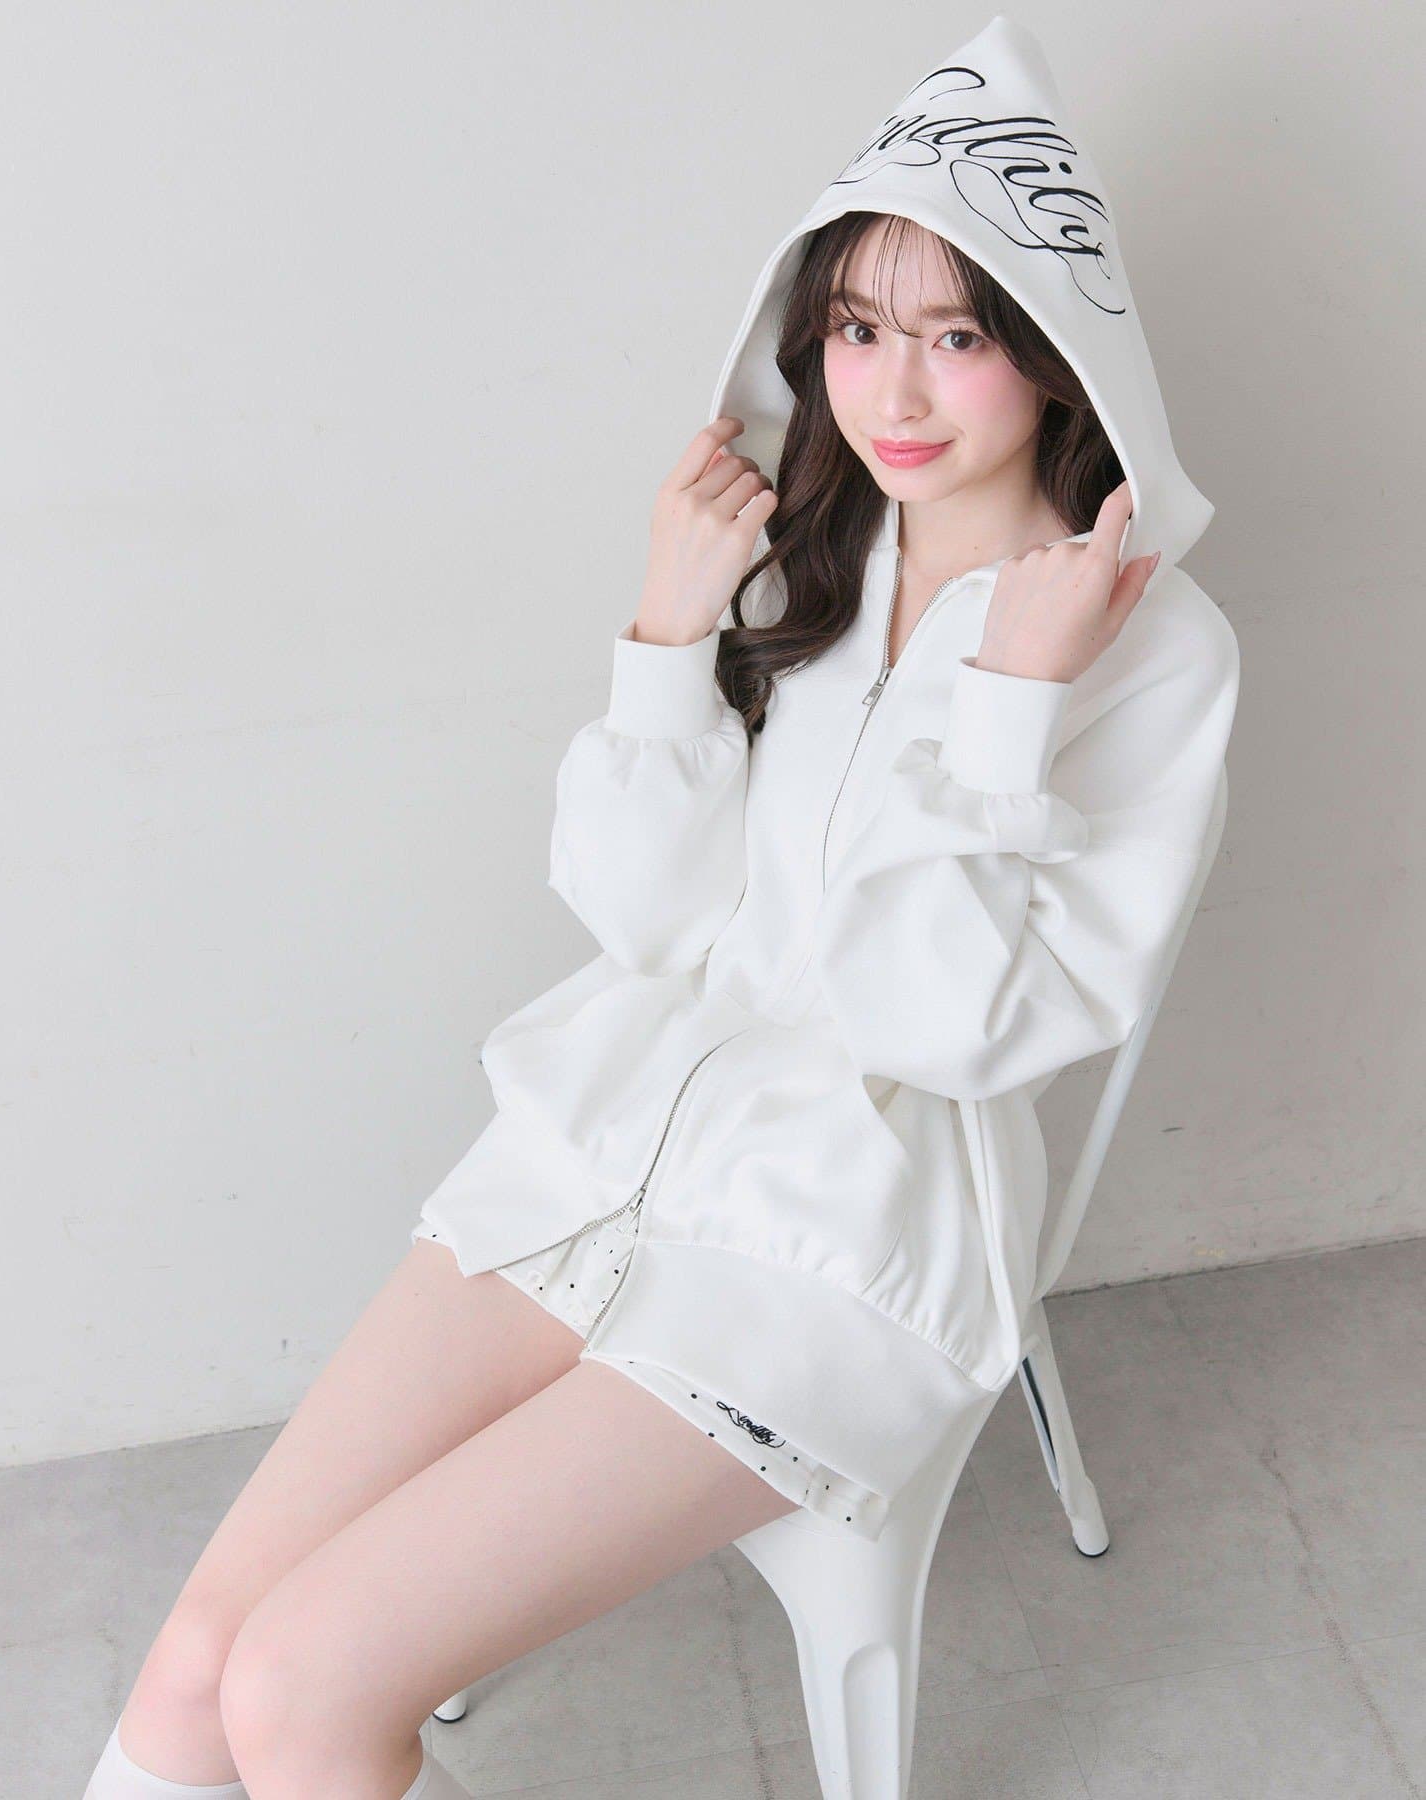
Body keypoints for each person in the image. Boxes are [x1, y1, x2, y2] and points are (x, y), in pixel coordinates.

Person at [82, 14, 1239, 1797]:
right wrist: (666, 631)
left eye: (956, 337)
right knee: (191, 1681)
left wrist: (1011, 710)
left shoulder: (1152, 650)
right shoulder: (816, 548)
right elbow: (646, 921)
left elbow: (944, 1028)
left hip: (848, 1231)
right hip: (612, 1141)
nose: (894, 394)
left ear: (1055, 354)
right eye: (856, 329)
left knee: (303, 1688)